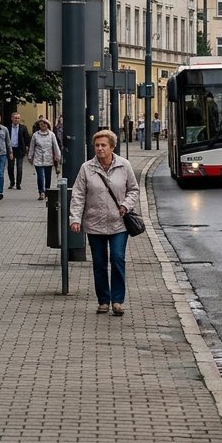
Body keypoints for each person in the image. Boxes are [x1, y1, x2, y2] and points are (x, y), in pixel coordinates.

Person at [69, 129, 139, 317]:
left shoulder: (124, 166)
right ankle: (103, 301)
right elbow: (78, 194)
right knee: (99, 263)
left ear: (112, 147)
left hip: (118, 224)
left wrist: (125, 205)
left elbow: (133, 190)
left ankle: (117, 301)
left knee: (117, 259)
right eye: (97, 145)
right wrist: (75, 218)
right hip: (95, 223)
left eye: (103, 145)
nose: (99, 149)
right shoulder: (87, 168)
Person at [28, 118, 62, 200]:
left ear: (48, 125)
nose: (43, 125)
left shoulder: (51, 135)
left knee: (47, 176)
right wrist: (30, 156)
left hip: (48, 158)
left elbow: (55, 146)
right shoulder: (35, 135)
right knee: (40, 176)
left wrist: (58, 156)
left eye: (44, 124)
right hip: (38, 158)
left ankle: (47, 190)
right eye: (41, 124)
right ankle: (41, 192)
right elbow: (32, 147)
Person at [7, 112, 30, 190]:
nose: (16, 120)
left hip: (20, 149)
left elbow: (26, 138)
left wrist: (27, 147)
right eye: (15, 118)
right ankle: (12, 182)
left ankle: (18, 184)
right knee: (10, 167)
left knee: (19, 167)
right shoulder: (8, 128)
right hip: (11, 149)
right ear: (12, 118)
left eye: (18, 118)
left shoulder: (23, 128)